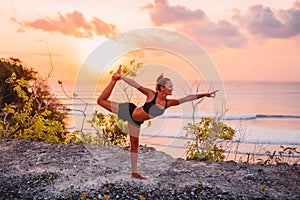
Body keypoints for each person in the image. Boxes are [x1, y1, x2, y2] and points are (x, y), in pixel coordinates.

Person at [97, 65, 218, 179]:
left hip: (136, 122)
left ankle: (134, 173)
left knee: (134, 146)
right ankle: (113, 80)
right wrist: (121, 77)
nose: (172, 89)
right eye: (170, 86)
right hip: (129, 111)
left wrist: (205, 95)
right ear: (162, 87)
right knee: (101, 101)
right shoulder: (151, 95)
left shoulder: (168, 103)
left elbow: (187, 98)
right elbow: (135, 84)